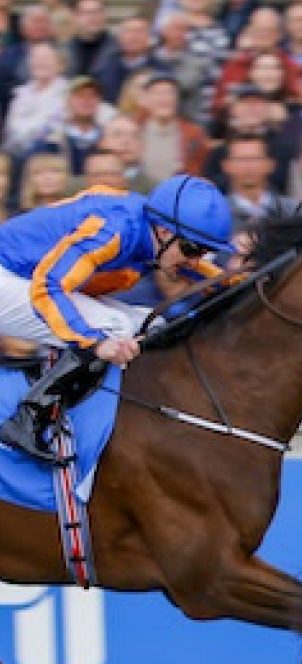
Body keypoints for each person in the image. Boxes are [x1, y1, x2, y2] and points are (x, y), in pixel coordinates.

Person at [0, 173, 231, 460]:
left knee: (153, 324)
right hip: (13, 276)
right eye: (191, 249)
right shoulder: (115, 230)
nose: (195, 260)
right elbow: (48, 287)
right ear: (163, 232)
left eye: (206, 252)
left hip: (28, 280)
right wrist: (94, 343)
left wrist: (252, 283)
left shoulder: (160, 235)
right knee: (113, 327)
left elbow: (208, 275)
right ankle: (29, 417)